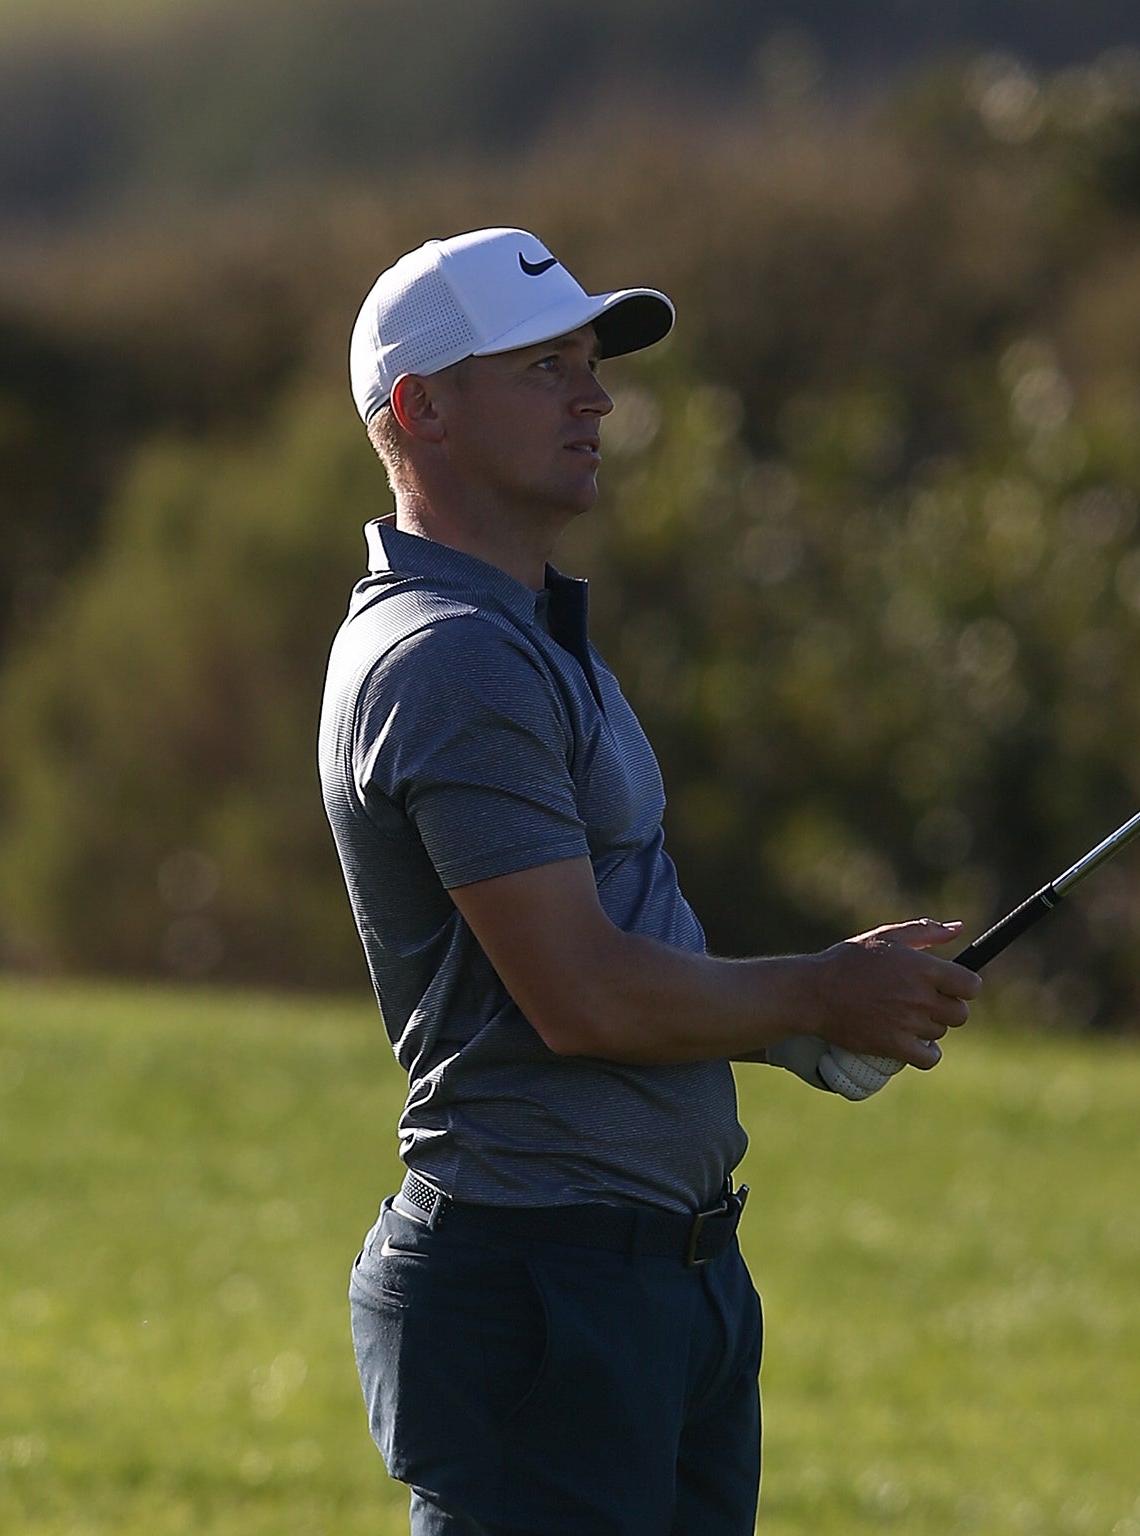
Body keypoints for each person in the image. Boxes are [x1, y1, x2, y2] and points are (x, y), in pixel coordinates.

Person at [319, 227, 982, 1536]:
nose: (596, 397)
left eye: (589, 362)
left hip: (658, 1284)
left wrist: (812, 1015)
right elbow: (579, 997)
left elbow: (619, 951)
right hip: (544, 1296)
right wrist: (814, 992)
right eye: (543, 367)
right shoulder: (447, 663)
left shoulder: (523, 633)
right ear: (422, 410)